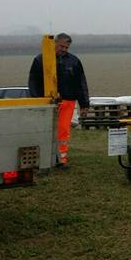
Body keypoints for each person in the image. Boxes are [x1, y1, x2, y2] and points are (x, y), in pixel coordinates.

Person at [27, 32, 90, 167]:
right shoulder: (40, 60)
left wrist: (84, 104)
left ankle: (61, 159)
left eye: (67, 48)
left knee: (63, 131)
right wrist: (37, 101)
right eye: (61, 46)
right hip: (46, 102)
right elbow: (33, 82)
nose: (64, 50)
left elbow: (80, 83)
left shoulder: (74, 61)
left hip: (67, 101)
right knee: (44, 130)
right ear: (54, 43)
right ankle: (41, 159)